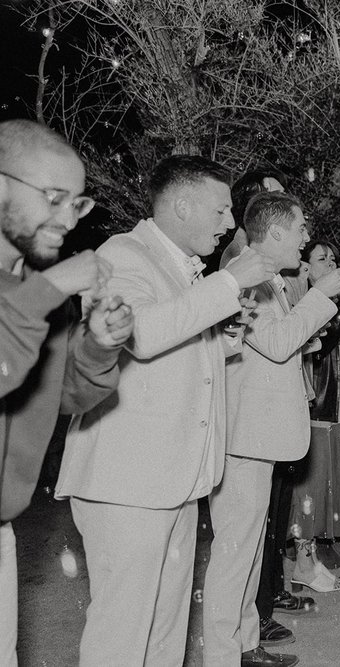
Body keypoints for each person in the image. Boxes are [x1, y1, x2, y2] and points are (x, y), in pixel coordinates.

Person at [56, 155, 275, 666]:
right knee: (123, 635)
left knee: (166, 629)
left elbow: (172, 357)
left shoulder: (178, 269)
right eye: (221, 210)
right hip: (126, 483)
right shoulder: (121, 254)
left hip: (174, 479)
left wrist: (221, 339)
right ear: (182, 205)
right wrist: (227, 284)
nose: (229, 224)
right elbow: (143, 334)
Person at [0, 119, 134, 665]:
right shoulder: (42, 289)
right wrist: (52, 288)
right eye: (54, 198)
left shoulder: (36, 289)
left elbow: (56, 399)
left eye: (77, 204)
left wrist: (100, 347)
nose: (66, 219)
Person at [202, 191, 340, 667]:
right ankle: (225, 656)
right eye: (302, 227)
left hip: (258, 436)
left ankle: (244, 645)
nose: (307, 236)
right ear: (278, 232)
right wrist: (322, 299)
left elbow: (268, 350)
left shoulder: (270, 279)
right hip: (243, 438)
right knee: (234, 554)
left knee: (246, 551)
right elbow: (279, 343)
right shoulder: (247, 274)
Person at [289, 240, 340, 573]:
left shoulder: (330, 304)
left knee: (328, 480)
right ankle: (304, 553)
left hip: (332, 402)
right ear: (306, 267)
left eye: (334, 258)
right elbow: (316, 352)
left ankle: (320, 545)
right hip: (315, 404)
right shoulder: (310, 303)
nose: (332, 264)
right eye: (322, 259)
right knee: (311, 483)